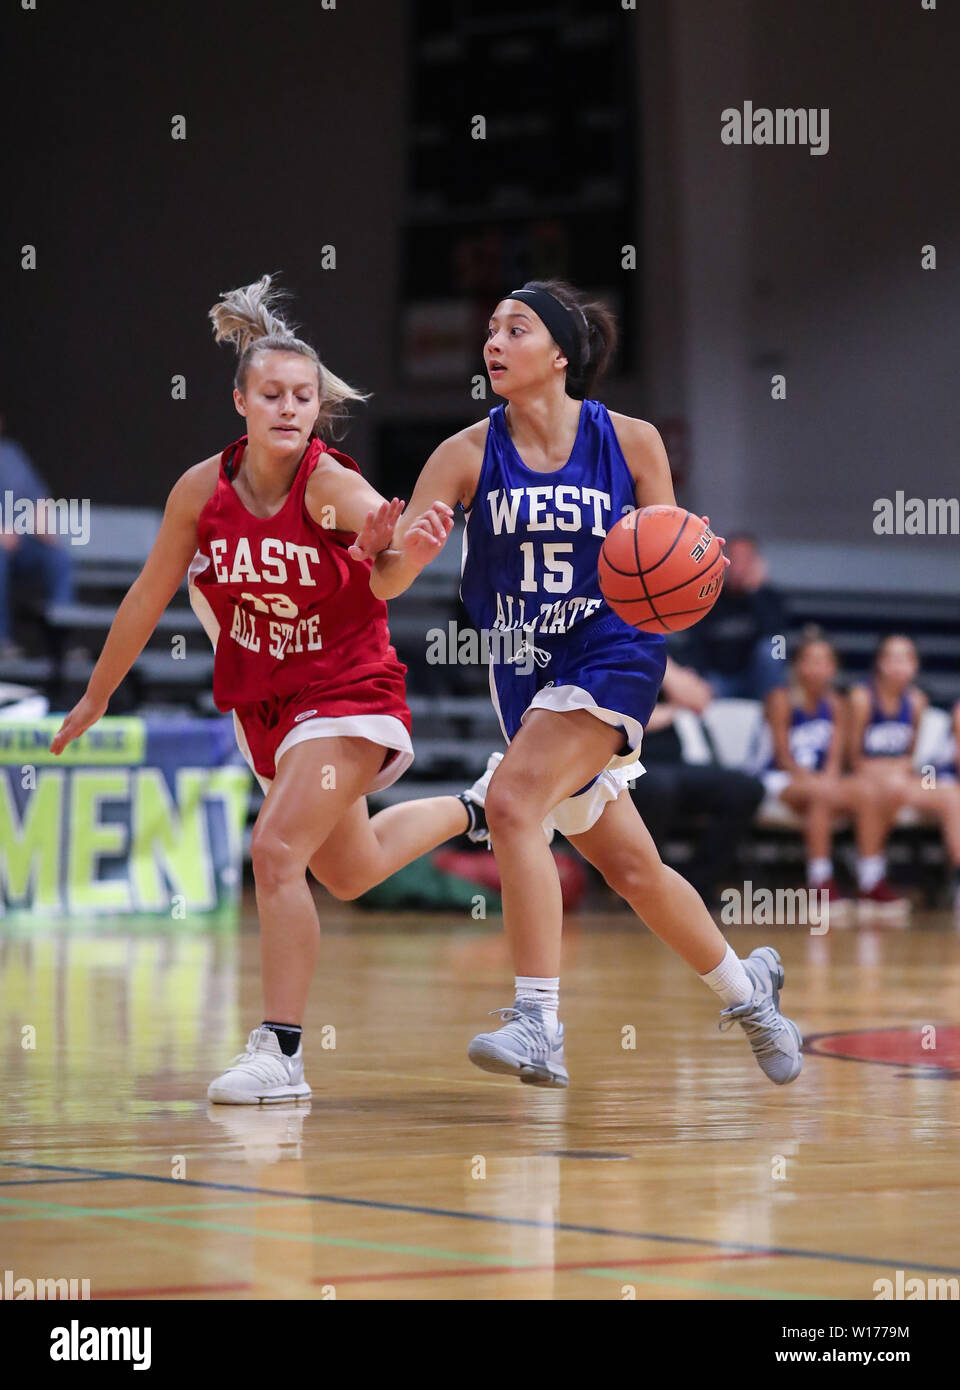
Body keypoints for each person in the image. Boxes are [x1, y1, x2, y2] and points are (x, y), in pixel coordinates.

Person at [49, 274, 498, 1104]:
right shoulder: (201, 491)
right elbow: (147, 596)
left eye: (305, 396)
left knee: (274, 851)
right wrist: (97, 694)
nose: (291, 408)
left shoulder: (329, 487)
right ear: (241, 403)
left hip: (348, 692)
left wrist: (399, 550)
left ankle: (280, 1054)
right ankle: (481, 805)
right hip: (269, 704)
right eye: (274, 395)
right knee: (353, 871)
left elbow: (391, 575)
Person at [356, 278, 803, 1088]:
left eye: (515, 329)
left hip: (613, 650)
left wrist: (694, 569)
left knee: (513, 803)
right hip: (524, 671)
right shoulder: (462, 454)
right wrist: (391, 550)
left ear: (560, 353)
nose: (493, 343)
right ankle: (751, 990)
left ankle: (538, 1022)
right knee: (632, 869)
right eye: (489, 330)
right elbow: (389, 586)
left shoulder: (630, 442)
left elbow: (674, 563)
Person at [627, 657, 763, 910]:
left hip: (676, 763)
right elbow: (621, 718)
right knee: (659, 788)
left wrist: (658, 657)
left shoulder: (657, 649)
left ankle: (696, 883)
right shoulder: (609, 650)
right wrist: (671, 710)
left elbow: (699, 700)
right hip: (627, 766)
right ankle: (645, 887)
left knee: (745, 788)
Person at [848, 635, 960, 918]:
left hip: (898, 779)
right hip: (863, 779)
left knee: (951, 795)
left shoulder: (917, 701)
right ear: (880, 663)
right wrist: (888, 769)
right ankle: (870, 880)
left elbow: (909, 757)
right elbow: (852, 760)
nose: (900, 665)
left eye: (907, 658)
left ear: (915, 665)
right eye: (893, 658)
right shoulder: (861, 698)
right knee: (885, 786)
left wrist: (898, 769)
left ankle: (957, 878)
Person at [755, 631, 861, 917]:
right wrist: (818, 782)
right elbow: (783, 757)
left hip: (818, 785)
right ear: (797, 666)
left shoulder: (838, 704)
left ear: (834, 668)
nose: (818, 668)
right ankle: (821, 882)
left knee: (864, 794)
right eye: (810, 661)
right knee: (820, 793)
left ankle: (869, 879)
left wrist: (828, 781)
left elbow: (834, 762)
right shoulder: (781, 698)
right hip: (776, 778)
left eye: (824, 662)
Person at [0, 410, 74, 661]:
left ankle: (60, 641)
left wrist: (43, 523)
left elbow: (38, 496)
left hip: (20, 544)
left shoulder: (11, 453)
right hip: (2, 546)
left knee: (58, 557)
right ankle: (2, 641)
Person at [679, 533, 787, 700]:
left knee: (771, 651)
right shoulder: (709, 595)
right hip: (718, 679)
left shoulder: (769, 597)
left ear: (755, 563)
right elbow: (696, 642)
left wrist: (754, 592)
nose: (738, 566)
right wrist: (699, 675)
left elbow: (776, 637)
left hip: (754, 678)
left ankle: (774, 710)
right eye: (734, 558)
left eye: (745, 559)